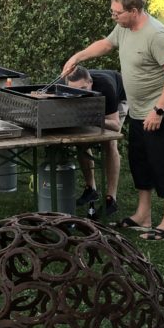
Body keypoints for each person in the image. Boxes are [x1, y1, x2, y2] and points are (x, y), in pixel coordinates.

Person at [60, 0, 164, 239]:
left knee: (163, 164)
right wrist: (77, 57)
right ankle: (143, 216)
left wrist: (159, 109)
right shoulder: (124, 28)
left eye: (117, 13)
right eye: (112, 12)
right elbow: (106, 44)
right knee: (140, 163)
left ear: (134, 11)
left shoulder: (156, 35)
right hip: (138, 111)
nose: (113, 16)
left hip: (161, 112)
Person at [58, 66, 125, 220]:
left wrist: (90, 118)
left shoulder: (106, 86)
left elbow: (115, 125)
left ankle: (111, 199)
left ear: (90, 82)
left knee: (110, 142)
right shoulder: (63, 84)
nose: (80, 93)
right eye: (74, 90)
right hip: (90, 107)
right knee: (81, 141)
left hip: (118, 99)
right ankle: (91, 189)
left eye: (83, 89)